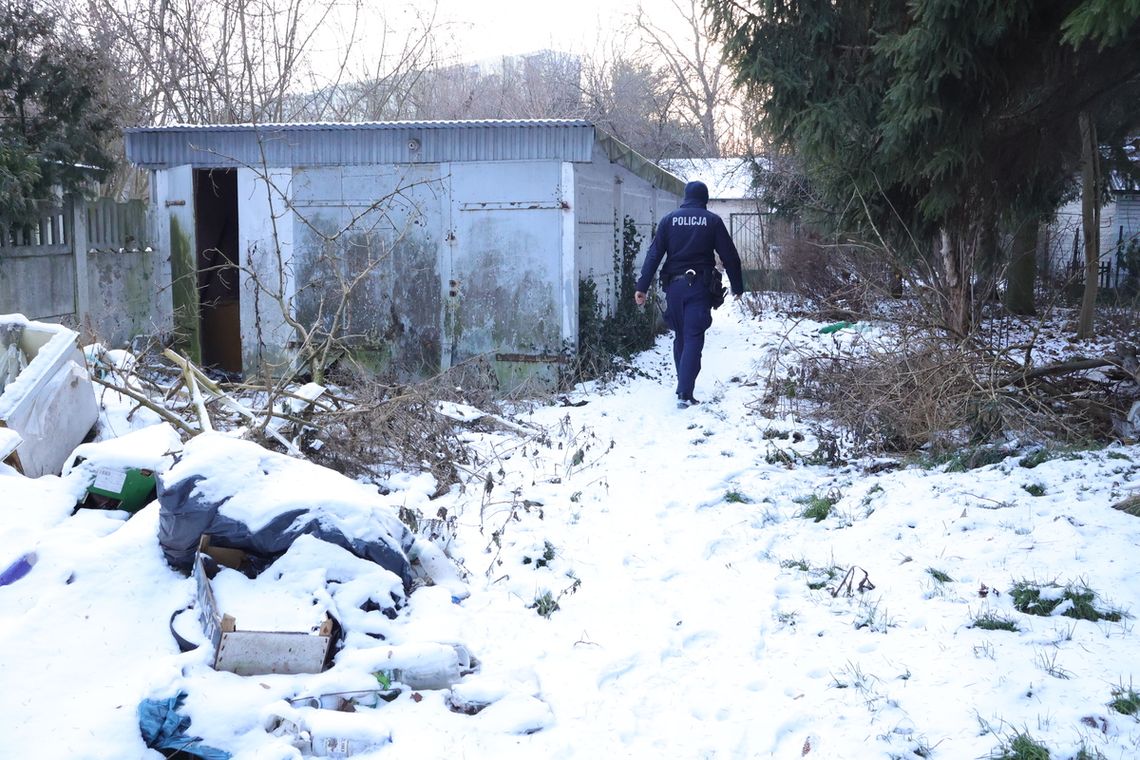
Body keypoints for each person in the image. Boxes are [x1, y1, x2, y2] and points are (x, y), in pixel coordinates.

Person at [634, 180, 744, 409]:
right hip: (699, 287)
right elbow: (730, 256)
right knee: (694, 336)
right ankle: (685, 392)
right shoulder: (712, 221)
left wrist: (642, 287)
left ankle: (683, 386)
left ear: (685, 197)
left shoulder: (668, 220)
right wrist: (737, 286)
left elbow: (654, 255)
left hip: (674, 288)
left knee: (681, 336)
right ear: (704, 199)